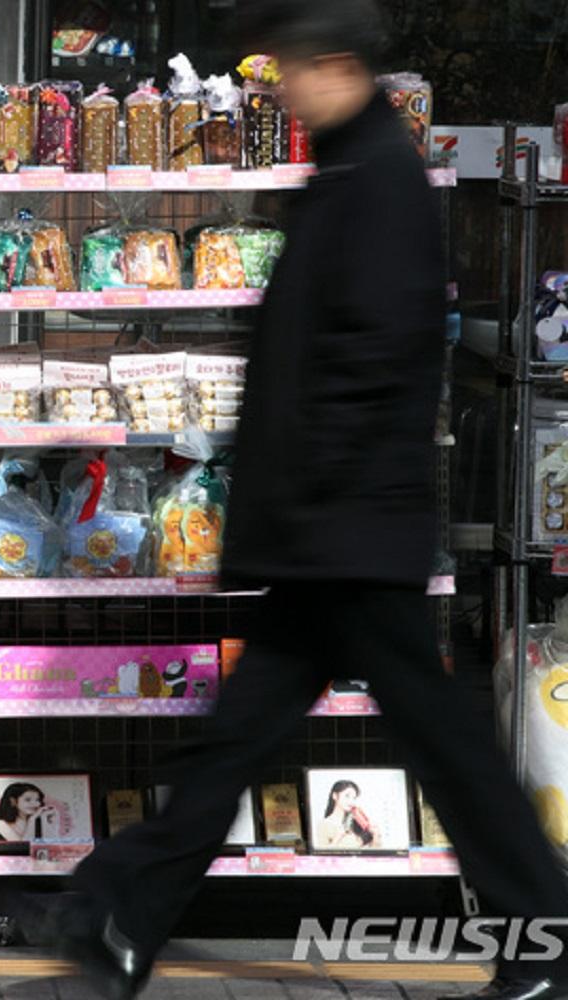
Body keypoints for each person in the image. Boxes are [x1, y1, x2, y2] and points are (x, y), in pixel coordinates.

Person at [47, 2, 568, 998]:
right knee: (245, 736)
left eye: (287, 68)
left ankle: (547, 937)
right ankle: (117, 915)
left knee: (435, 747)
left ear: (335, 66)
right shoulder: (351, 169)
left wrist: (304, 505)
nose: (274, 85)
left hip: (346, 534)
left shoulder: (376, 183)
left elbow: (369, 363)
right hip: (331, 531)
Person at [315, 780, 377, 849]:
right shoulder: (324, 824)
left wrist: (376, 834)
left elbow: (375, 851)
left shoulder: (359, 822)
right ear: (335, 796)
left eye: (354, 798)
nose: (351, 801)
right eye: (347, 796)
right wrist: (338, 837)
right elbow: (322, 856)